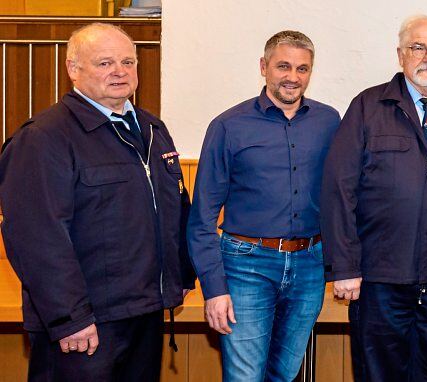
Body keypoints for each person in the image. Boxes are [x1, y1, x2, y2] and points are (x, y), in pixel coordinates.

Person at [0, 23, 194, 381]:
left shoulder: (152, 130)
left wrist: (180, 273)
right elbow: (37, 239)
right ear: (74, 69)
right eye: (105, 63)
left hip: (145, 312)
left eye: (128, 62)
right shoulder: (44, 138)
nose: (120, 72)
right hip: (84, 327)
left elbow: (176, 207)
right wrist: (69, 318)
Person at [320, 14, 427, 382]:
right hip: (379, 279)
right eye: (418, 47)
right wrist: (345, 266)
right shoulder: (367, 107)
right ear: (400, 55)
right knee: (380, 374)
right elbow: (338, 188)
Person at [187, 30, 340, 381]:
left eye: (302, 69)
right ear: (263, 67)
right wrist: (214, 288)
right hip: (246, 266)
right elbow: (202, 217)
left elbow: (344, 196)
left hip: (309, 265)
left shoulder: (330, 122)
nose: (293, 77)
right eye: (283, 66)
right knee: (245, 376)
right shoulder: (229, 126)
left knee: (284, 374)